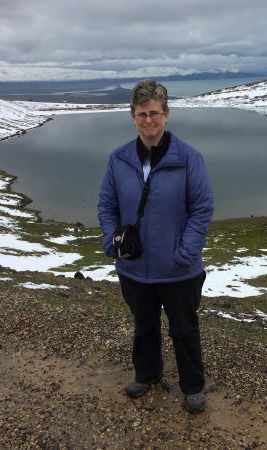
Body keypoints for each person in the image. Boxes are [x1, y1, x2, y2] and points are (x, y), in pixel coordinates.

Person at [97, 79, 214, 413]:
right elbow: (107, 206)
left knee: (185, 330)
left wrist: (187, 252)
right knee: (144, 327)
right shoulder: (118, 159)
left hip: (179, 269)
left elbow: (202, 208)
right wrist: (111, 239)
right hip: (134, 267)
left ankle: (193, 387)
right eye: (141, 114)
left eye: (154, 114)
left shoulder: (189, 158)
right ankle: (146, 375)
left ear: (166, 115)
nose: (148, 121)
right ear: (132, 117)